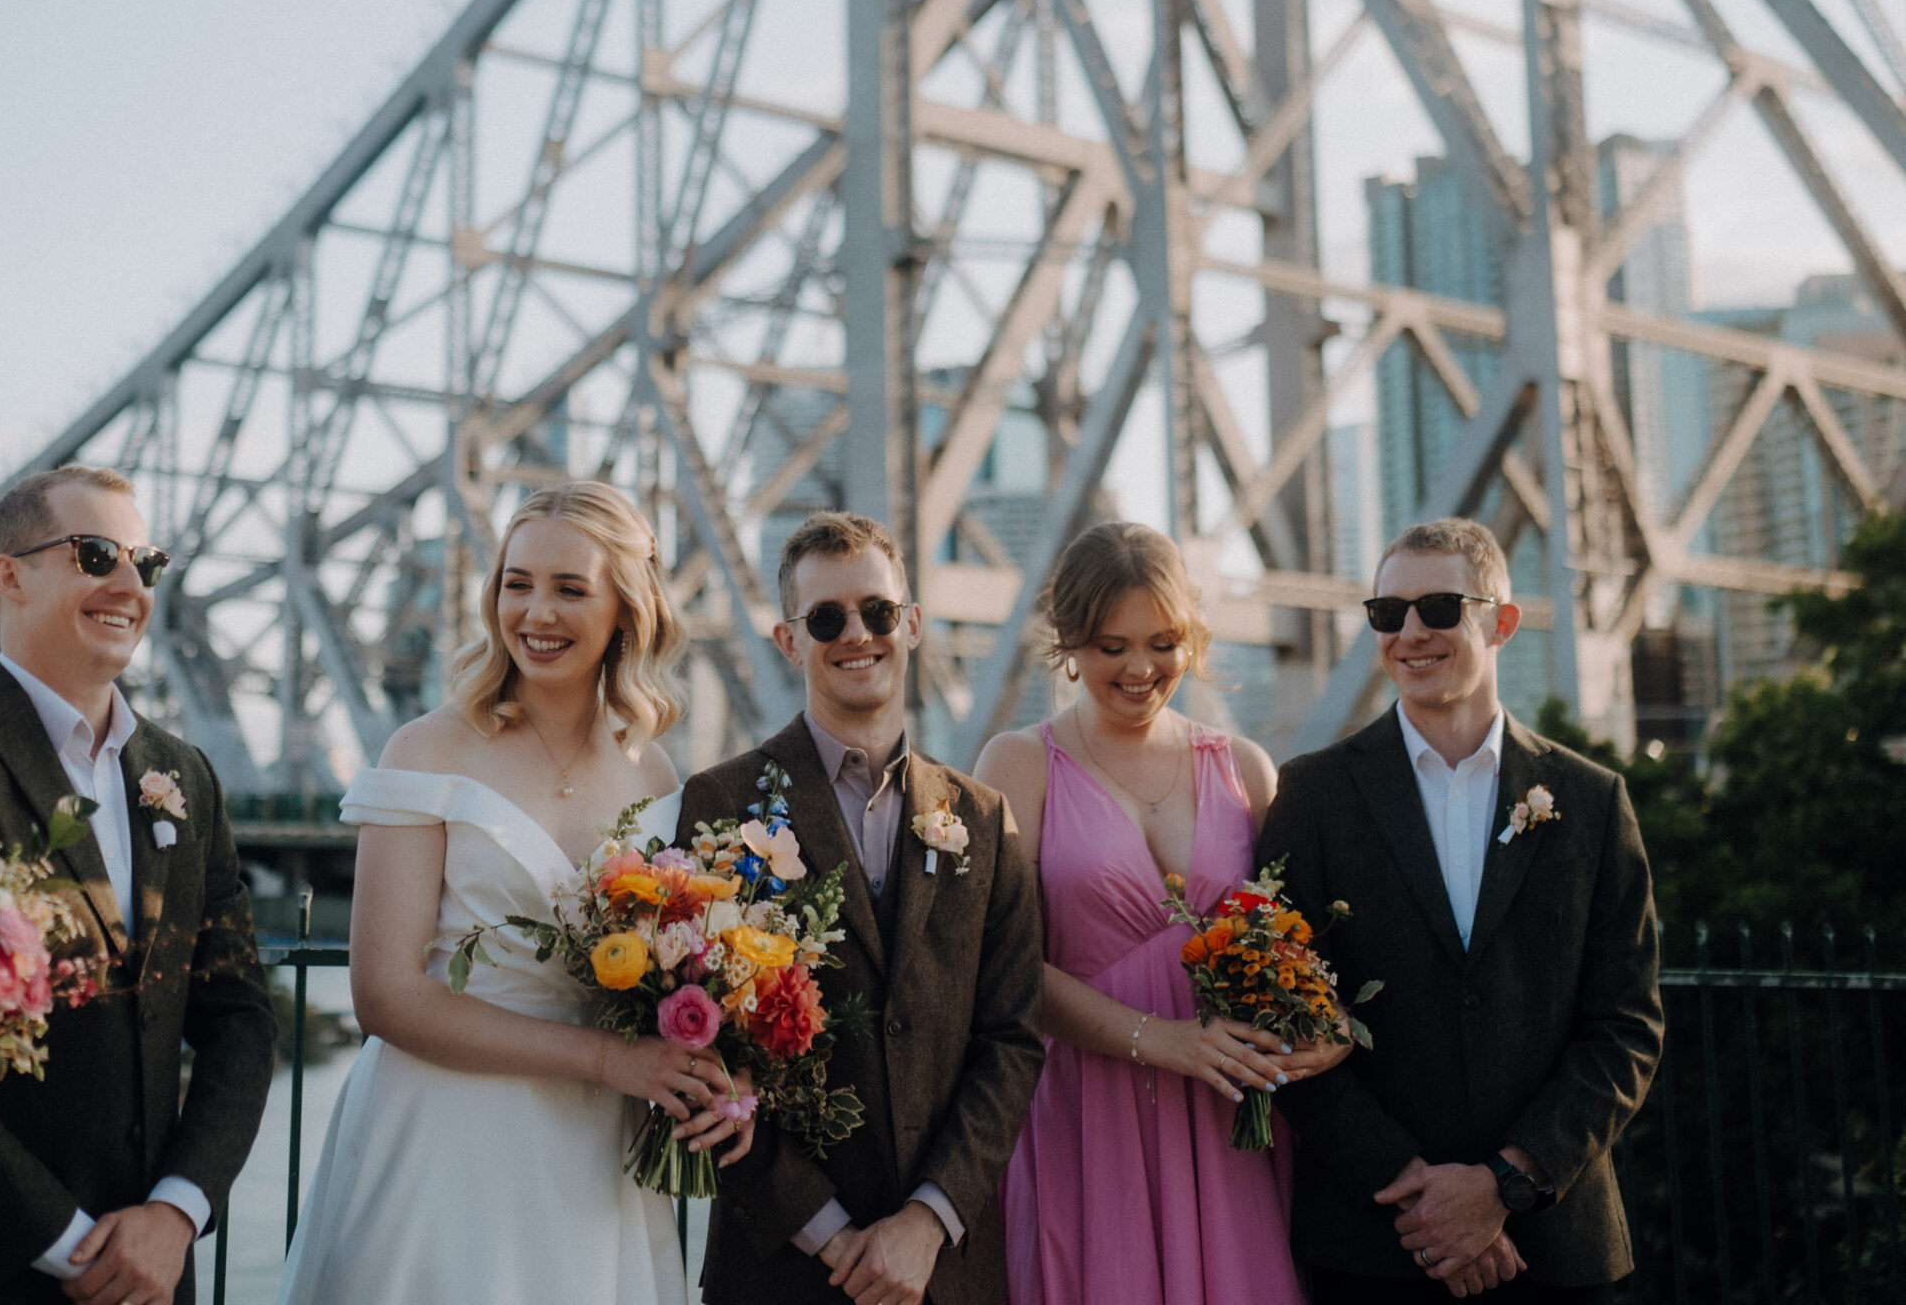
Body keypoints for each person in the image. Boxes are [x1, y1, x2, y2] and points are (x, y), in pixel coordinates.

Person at [278, 480, 746, 1305]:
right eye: (516, 583)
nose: (535, 613)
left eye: (570, 589)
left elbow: (670, 975)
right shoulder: (427, 750)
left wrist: (709, 1064)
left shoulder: (656, 771)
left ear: (625, 611)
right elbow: (384, 995)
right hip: (441, 1139)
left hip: (597, 1157)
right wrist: (611, 1060)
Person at [0, 464, 275, 1305]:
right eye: (97, 553)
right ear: (9, 575)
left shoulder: (185, 774)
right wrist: (70, 1248)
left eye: (149, 562)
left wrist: (176, 1213)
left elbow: (240, 1014)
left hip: (150, 1269)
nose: (130, 584)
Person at [1259, 517, 1663, 1303]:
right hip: (1377, 1243)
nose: (1410, 633)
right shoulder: (1311, 795)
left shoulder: (1592, 800)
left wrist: (1503, 1186)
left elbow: (1628, 1025)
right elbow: (1281, 1014)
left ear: (1501, 622)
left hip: (1554, 1245)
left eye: (1440, 607)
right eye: (1387, 612)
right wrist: (1418, 1191)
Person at [980, 521, 1350, 1305]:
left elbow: (1300, 948)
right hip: (1086, 1120)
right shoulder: (1017, 763)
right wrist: (1169, 1042)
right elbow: (1006, 967)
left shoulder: (1246, 769)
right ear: (1070, 642)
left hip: (1229, 1128)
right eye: (1112, 646)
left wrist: (1325, 1027)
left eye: (1163, 641)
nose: (1141, 668)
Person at [680, 510, 1044, 1305]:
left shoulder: (982, 816)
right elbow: (700, 1049)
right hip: (781, 1268)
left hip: (945, 1273)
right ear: (788, 640)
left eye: (877, 612)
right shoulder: (721, 801)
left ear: (910, 624)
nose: (857, 634)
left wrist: (926, 1220)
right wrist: (830, 1233)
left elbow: (1012, 1040)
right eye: (825, 618)